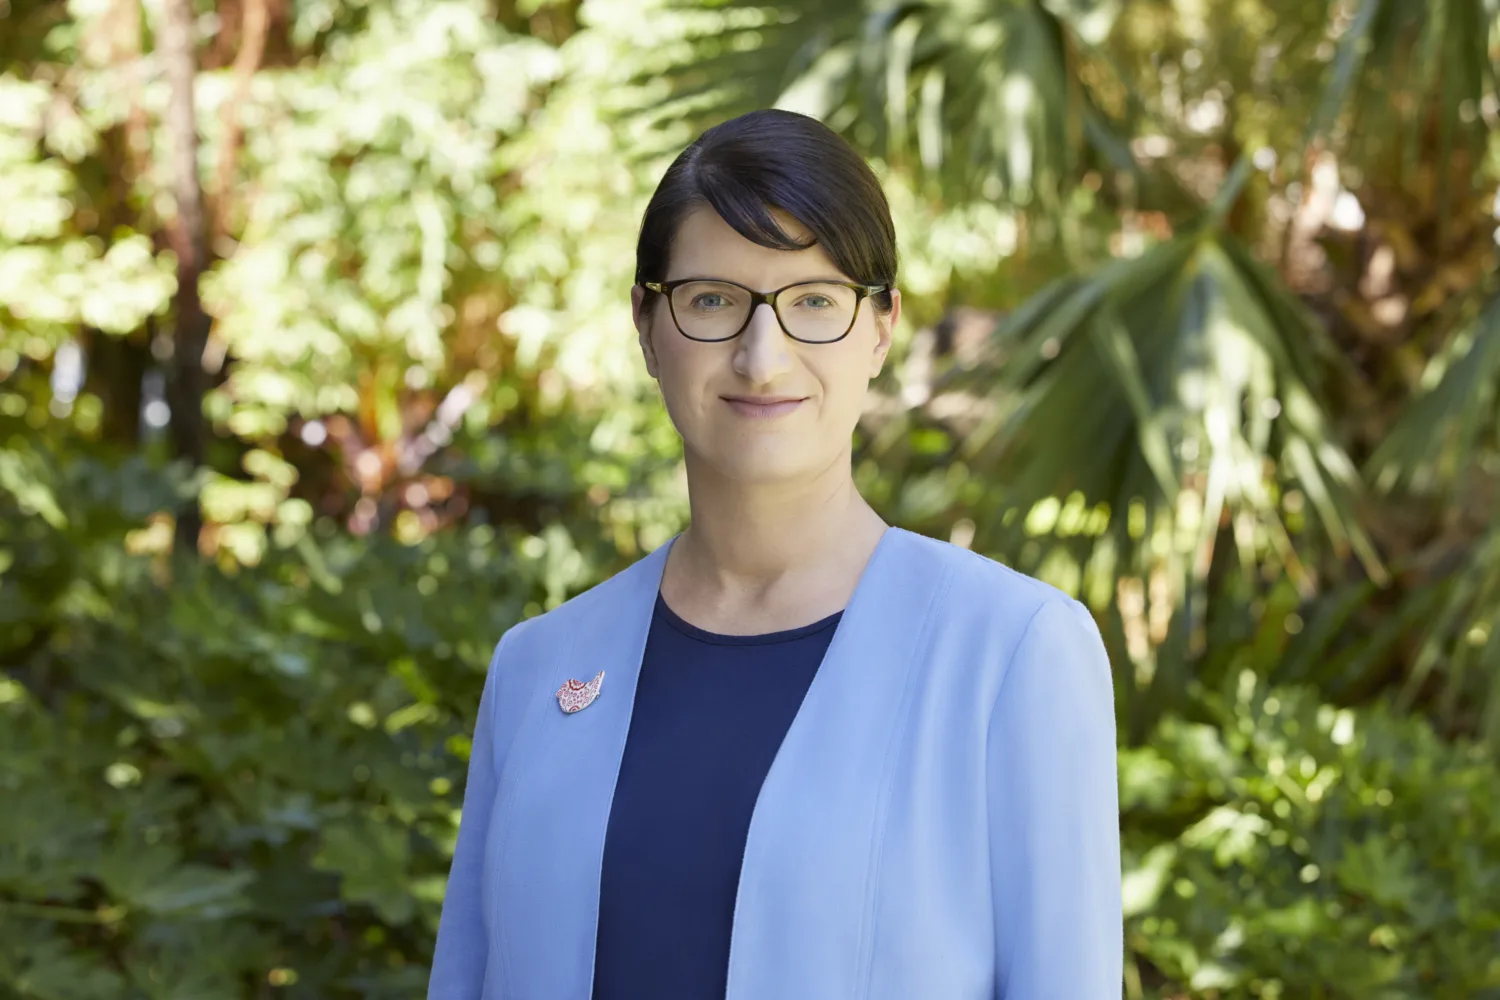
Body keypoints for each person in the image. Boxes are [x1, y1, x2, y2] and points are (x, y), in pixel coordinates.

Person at [427, 108, 1122, 1000]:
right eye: (713, 300)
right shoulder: (538, 669)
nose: (764, 357)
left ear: (880, 329)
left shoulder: (1014, 653)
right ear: (646, 323)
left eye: (815, 303)